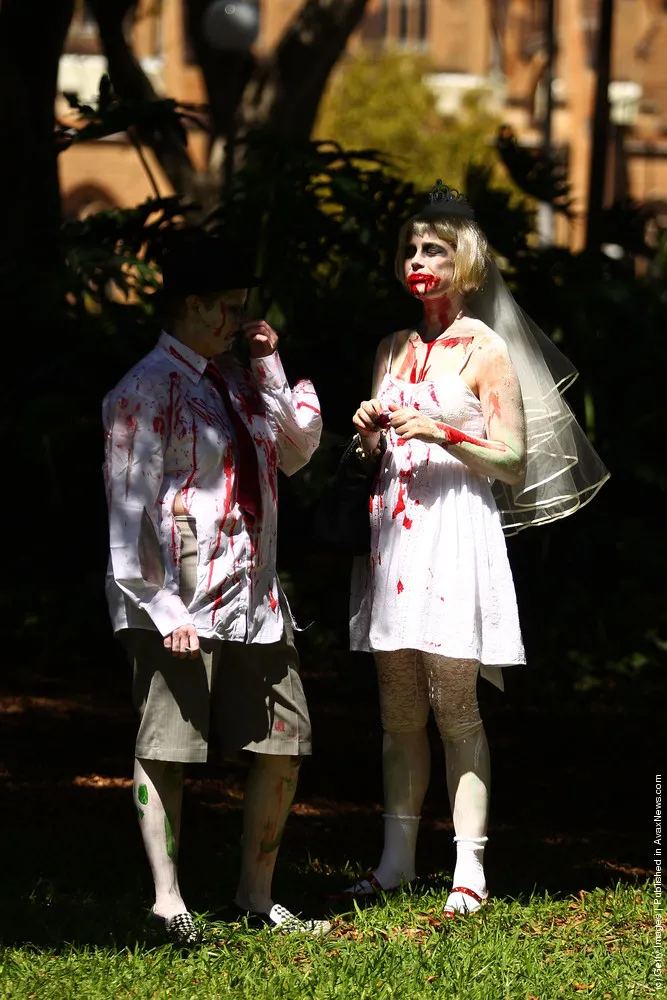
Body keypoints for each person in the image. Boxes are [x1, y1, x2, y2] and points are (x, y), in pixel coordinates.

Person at [346, 184, 609, 916]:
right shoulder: (392, 349)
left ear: (464, 263)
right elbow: (369, 457)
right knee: (397, 709)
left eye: (432, 249)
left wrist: (445, 434)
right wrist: (367, 430)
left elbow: (513, 461)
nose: (416, 260)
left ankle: (469, 871)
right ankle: (395, 861)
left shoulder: (487, 349)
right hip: (394, 539)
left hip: (454, 534)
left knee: (454, 709)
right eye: (408, 248)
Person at [102, 236, 325, 942]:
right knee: (166, 743)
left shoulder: (235, 378)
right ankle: (167, 901)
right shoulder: (141, 390)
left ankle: (254, 897)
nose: (240, 319)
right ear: (192, 306)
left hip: (253, 588)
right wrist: (160, 603)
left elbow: (296, 451)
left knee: (284, 739)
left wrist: (267, 360)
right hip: (176, 587)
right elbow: (127, 504)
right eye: (230, 308)